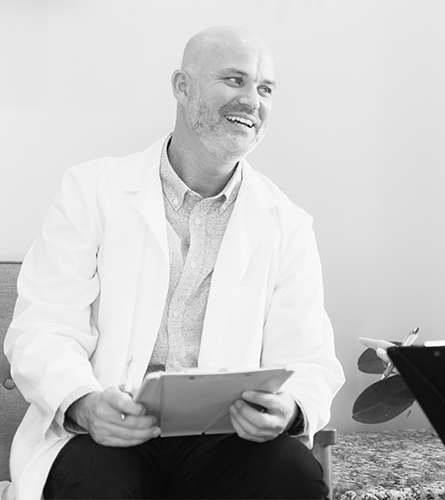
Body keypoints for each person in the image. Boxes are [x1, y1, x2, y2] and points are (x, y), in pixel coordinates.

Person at [4, 25, 345, 500]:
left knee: (292, 475)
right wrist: (83, 403)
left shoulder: (286, 224)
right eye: (234, 80)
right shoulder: (91, 191)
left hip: (222, 440)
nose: (252, 100)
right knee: (97, 485)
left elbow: (309, 360)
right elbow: (43, 327)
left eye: (265, 88)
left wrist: (288, 408)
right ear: (182, 87)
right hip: (107, 434)